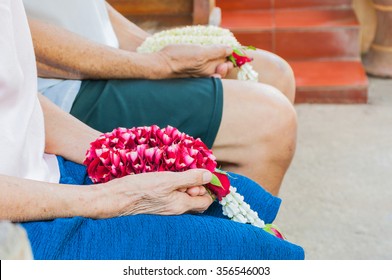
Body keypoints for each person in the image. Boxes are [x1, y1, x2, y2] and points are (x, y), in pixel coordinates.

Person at [0, 0, 304, 260]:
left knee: (247, 201)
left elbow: (17, 87)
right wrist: (107, 198)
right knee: (261, 254)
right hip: (20, 221)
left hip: (40, 166)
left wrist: (118, 152)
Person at [21, 0, 298, 196]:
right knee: (269, 121)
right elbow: (16, 35)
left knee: (274, 73)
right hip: (55, 93)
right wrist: (158, 64)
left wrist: (151, 46)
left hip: (101, 58)